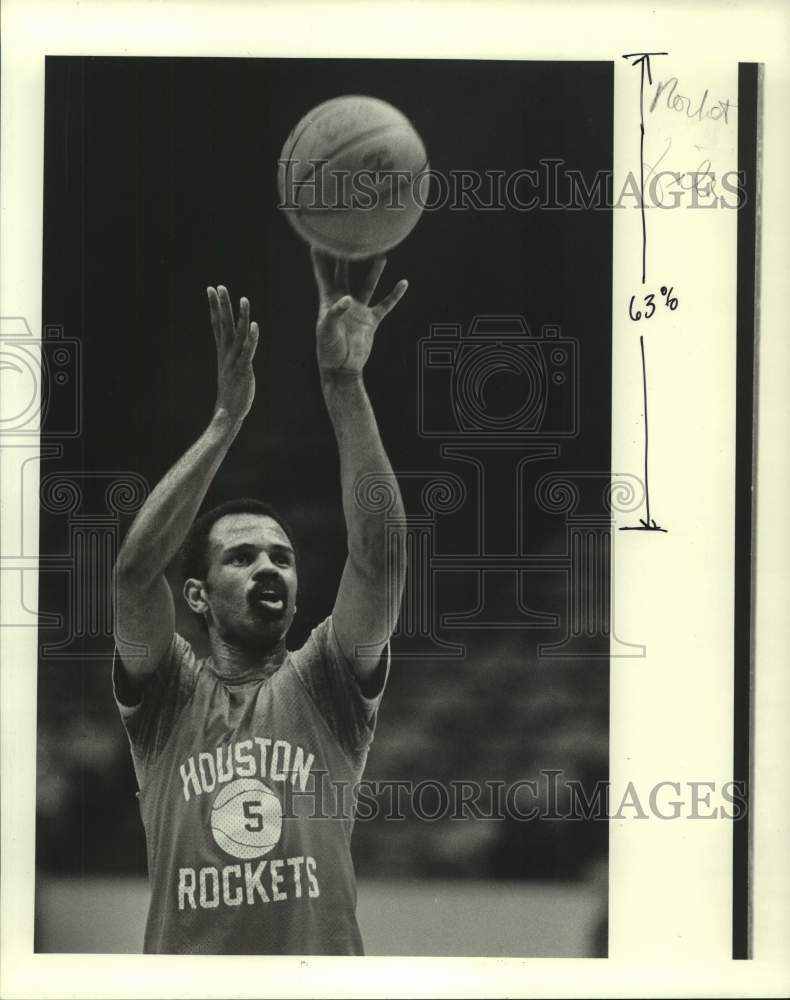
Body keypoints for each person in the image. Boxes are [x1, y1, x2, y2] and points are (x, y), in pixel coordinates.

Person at [112, 250, 408, 955]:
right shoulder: (167, 699)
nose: (268, 566)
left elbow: (381, 560)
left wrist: (344, 386)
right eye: (241, 557)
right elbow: (131, 576)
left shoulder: (325, 684)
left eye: (281, 556)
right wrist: (223, 422)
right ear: (199, 596)